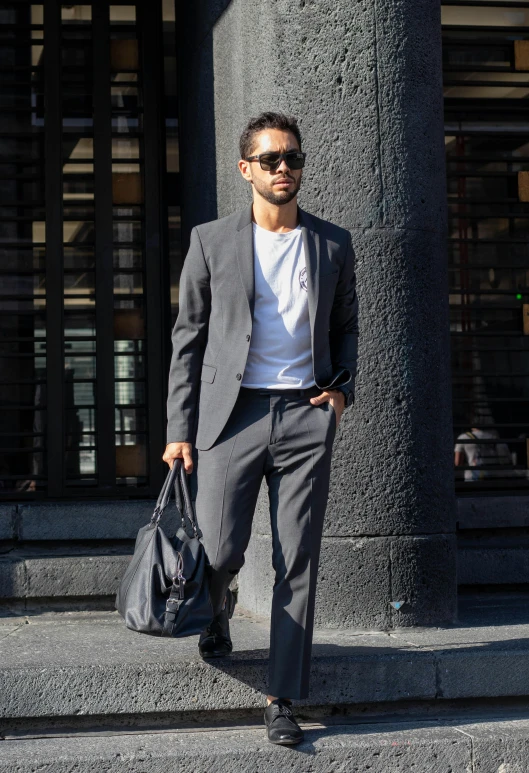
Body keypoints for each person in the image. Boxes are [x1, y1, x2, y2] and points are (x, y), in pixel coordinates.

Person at [163, 111, 358, 745]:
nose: (284, 169)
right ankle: (216, 611)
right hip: (232, 414)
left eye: (293, 158)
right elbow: (187, 340)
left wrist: (340, 391)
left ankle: (282, 697)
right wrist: (179, 428)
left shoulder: (332, 243)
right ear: (245, 169)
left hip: (305, 414)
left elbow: (345, 325)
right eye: (271, 159)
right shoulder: (210, 241)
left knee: (297, 557)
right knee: (220, 548)